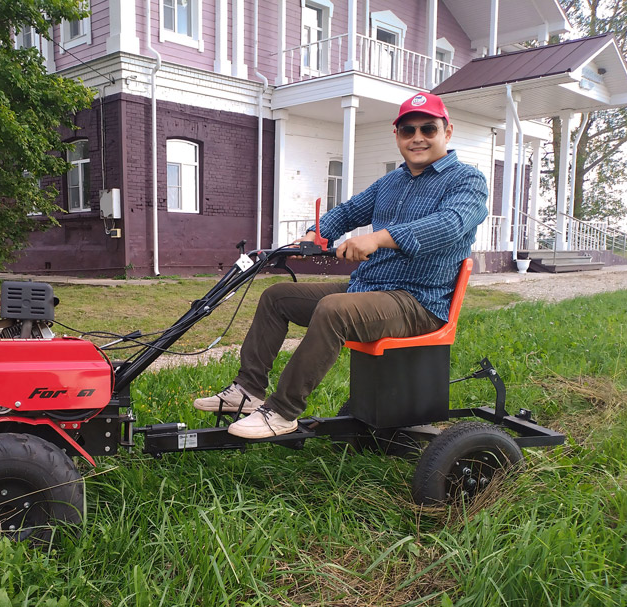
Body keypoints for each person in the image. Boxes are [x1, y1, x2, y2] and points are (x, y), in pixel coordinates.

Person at [193, 92, 489, 439]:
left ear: (447, 132)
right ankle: (247, 389)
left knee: (335, 310)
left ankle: (282, 411)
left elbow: (450, 225)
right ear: (397, 136)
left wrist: (378, 238)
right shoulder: (392, 181)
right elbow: (347, 212)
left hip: (419, 301)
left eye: (428, 128)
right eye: (408, 130)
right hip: (370, 291)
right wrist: (313, 234)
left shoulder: (467, 181)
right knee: (277, 297)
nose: (418, 137)